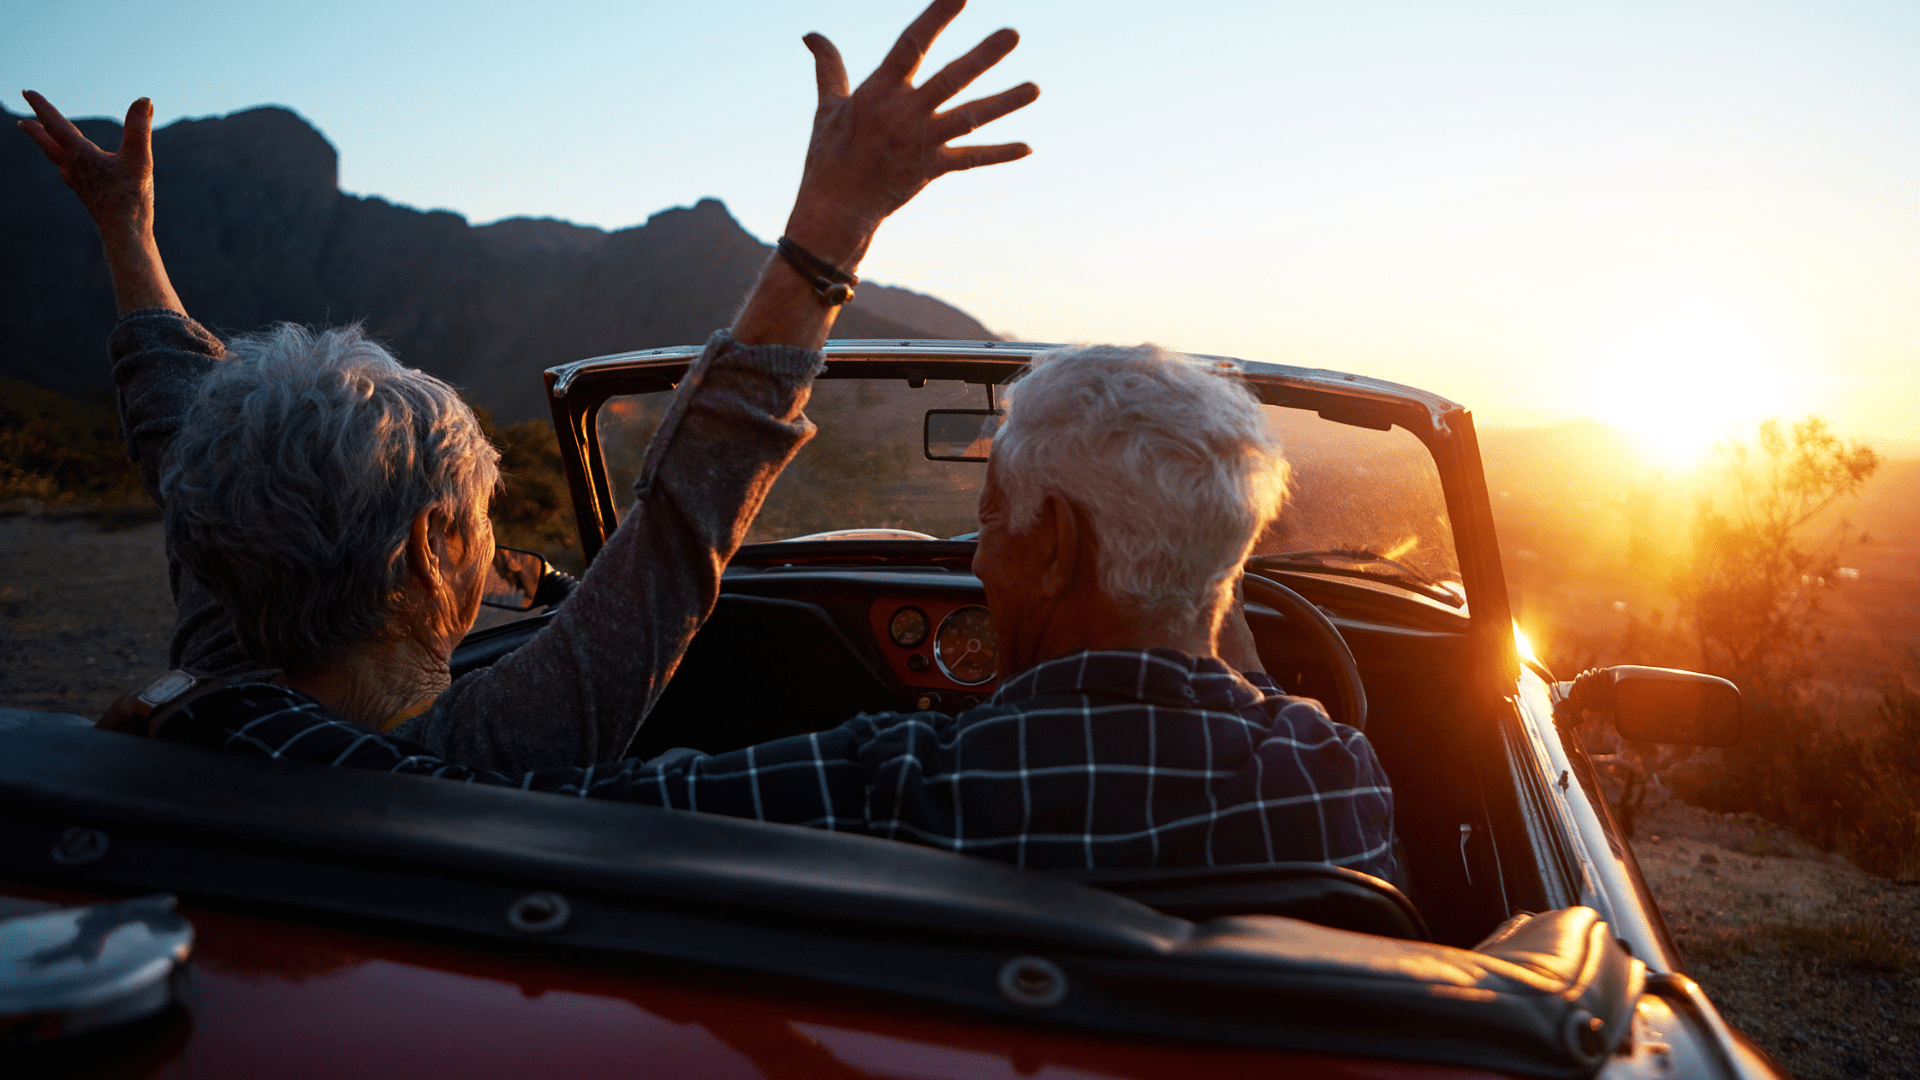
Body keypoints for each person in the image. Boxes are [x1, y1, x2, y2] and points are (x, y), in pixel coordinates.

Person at [18, 0, 1039, 770]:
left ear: (208, 532)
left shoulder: (207, 667)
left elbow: (172, 413)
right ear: (426, 551)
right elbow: (694, 500)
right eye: (470, 518)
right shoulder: (494, 748)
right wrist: (839, 215)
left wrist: (124, 230)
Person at [141, 343, 1397, 878]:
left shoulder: (868, 787)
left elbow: (505, 804)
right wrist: (1202, 605)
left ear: (1057, 544)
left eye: (996, 520)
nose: (971, 566)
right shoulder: (1342, 786)